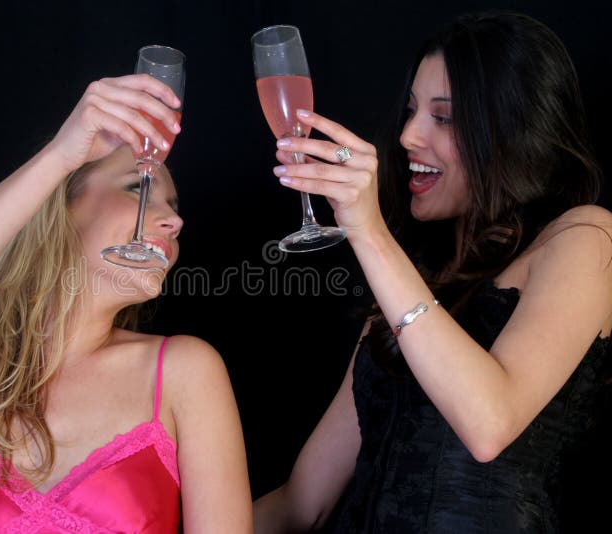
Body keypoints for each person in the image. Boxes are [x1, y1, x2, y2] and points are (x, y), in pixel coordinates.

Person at [254, 10, 610, 533]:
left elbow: (489, 423)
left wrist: (368, 232)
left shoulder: (585, 238)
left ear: (514, 130)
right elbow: (303, 503)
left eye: (443, 118)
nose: (406, 137)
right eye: (412, 111)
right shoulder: (412, 281)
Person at [0, 73, 252, 532]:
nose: (175, 220)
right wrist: (59, 157)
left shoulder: (184, 370)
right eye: (139, 187)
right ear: (61, 205)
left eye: (174, 204)